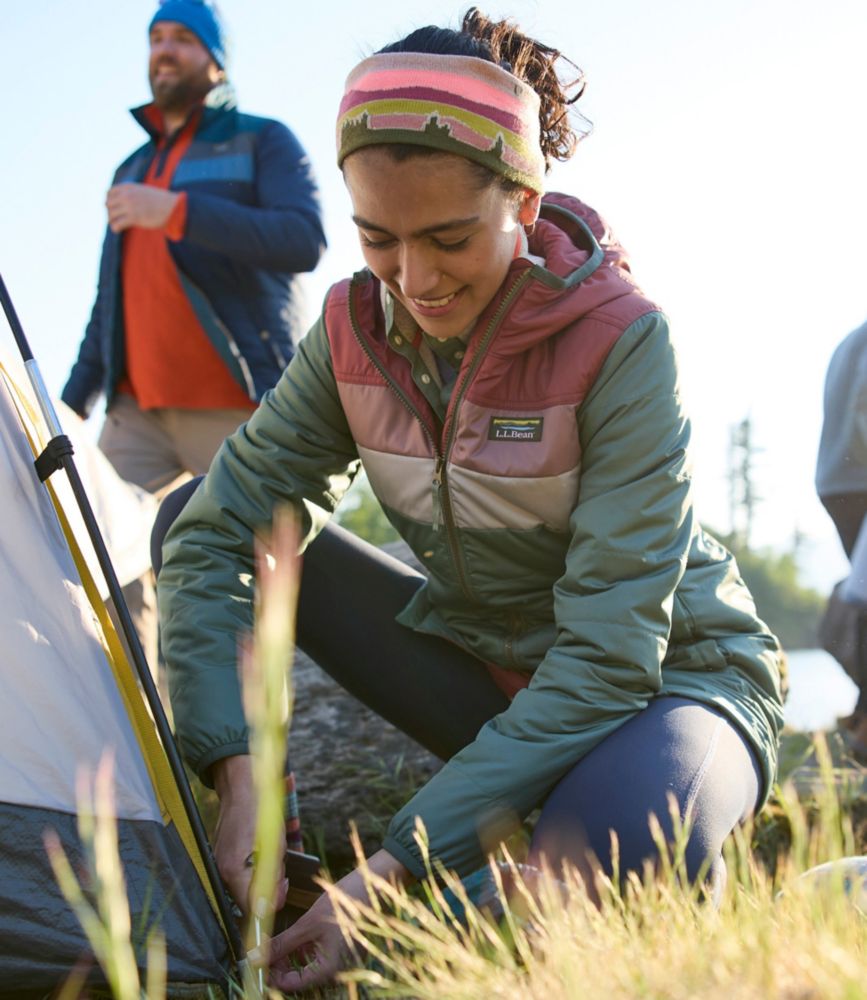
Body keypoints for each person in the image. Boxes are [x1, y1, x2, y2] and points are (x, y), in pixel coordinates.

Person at [155, 9, 784, 991]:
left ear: (524, 201)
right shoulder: (354, 331)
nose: (413, 279)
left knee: (576, 885)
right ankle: (456, 850)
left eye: (449, 238)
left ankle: (468, 891)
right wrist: (238, 773)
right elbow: (218, 534)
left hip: (666, 681)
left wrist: (396, 867)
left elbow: (611, 659)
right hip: (495, 673)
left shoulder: (623, 344)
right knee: (190, 509)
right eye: (377, 240)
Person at [61, 0, 326, 667]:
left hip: (234, 406)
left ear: (214, 57)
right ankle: (152, 759)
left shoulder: (261, 141)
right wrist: (67, 404)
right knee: (102, 572)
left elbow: (302, 239)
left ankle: (257, 764)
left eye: (182, 37)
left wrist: (177, 211)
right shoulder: (129, 169)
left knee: (235, 581)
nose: (164, 49)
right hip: (134, 416)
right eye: (155, 38)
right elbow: (107, 302)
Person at [815, 318, 867, 760]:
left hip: (839, 477)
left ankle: (861, 715)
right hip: (857, 475)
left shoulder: (853, 339)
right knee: (861, 595)